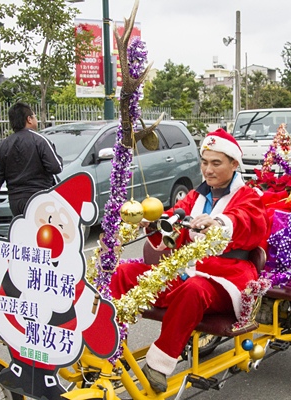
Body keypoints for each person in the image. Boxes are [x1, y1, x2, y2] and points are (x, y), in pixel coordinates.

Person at [109, 129, 267, 393]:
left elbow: (248, 221)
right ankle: (110, 346)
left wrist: (218, 222)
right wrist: (152, 223)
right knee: (123, 272)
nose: (208, 169)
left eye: (216, 163)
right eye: (204, 162)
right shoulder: (196, 196)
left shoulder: (248, 197)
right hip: (185, 272)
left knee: (193, 290)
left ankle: (159, 364)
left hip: (225, 278)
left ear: (234, 164)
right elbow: (171, 218)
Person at [0, 102, 62, 217]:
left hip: (15, 202)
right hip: (39, 198)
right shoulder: (40, 140)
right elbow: (56, 167)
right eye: (34, 116)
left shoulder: (3, 145)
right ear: (29, 119)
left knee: (23, 232)